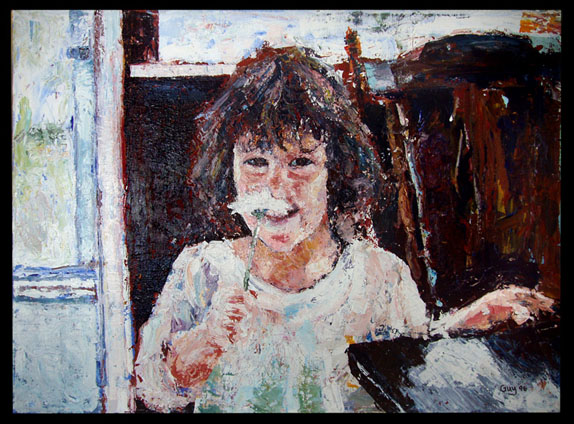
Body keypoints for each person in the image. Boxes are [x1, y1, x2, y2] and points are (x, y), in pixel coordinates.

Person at [133, 45, 554, 413]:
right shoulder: (202, 270)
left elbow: (416, 370)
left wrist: (469, 321)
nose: (276, 186)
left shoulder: (380, 277)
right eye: (256, 162)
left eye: (301, 162)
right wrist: (204, 342)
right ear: (229, 170)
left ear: (335, 172)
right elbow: (153, 391)